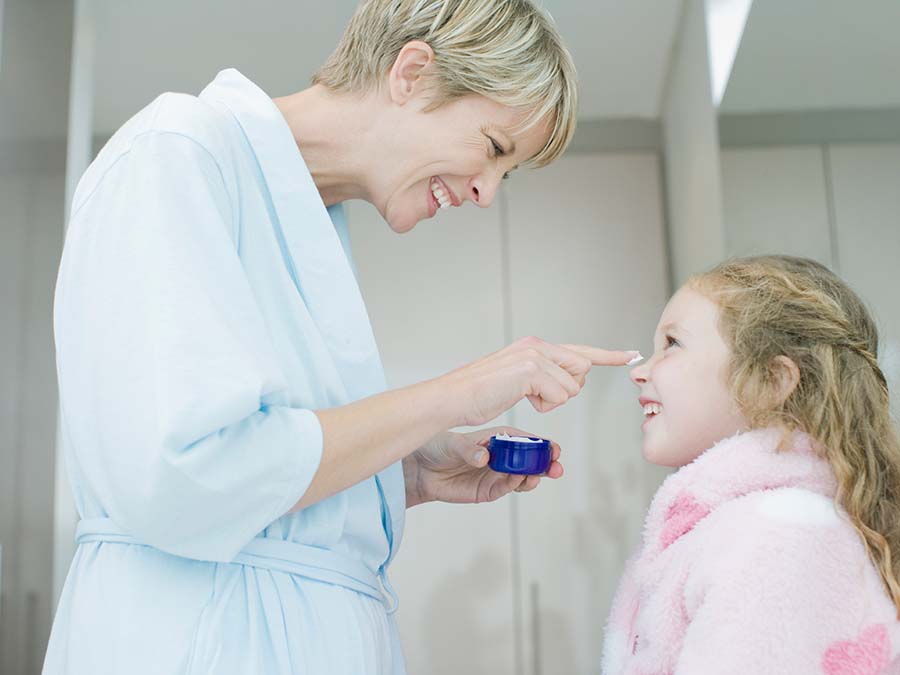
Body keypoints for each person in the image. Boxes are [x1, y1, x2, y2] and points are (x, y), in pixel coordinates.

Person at [43, 1, 640, 673]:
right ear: (412, 73)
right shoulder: (178, 150)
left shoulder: (310, 220)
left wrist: (408, 467)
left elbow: (269, 461)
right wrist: (456, 393)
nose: (486, 193)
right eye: (494, 150)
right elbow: (189, 470)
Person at [602, 255, 900, 674]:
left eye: (672, 344)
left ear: (772, 382)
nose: (641, 372)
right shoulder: (731, 531)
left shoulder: (774, 536)